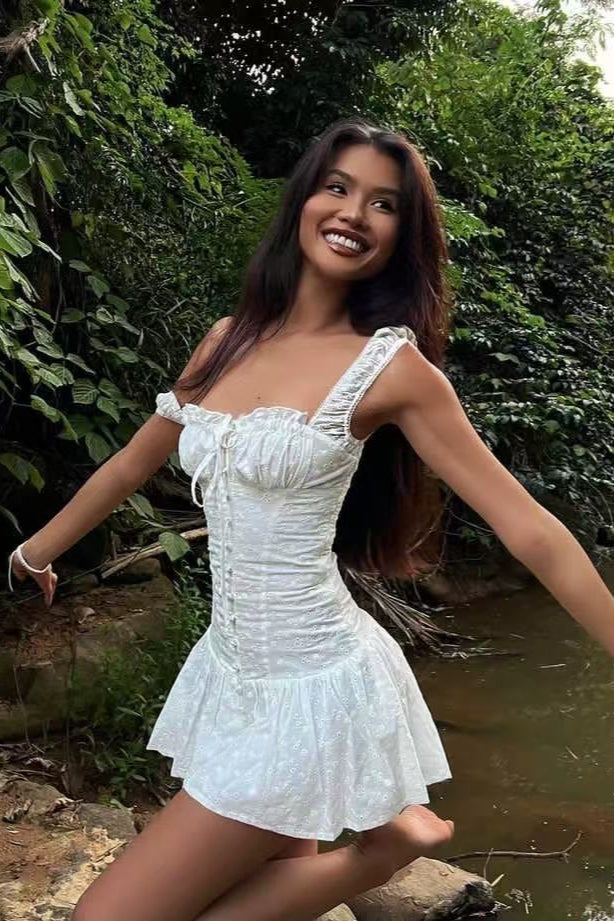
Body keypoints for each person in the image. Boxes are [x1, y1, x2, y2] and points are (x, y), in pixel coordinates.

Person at [7, 118, 614, 921]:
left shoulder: (390, 368)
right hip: (233, 670)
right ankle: (386, 842)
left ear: (401, 236)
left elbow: (527, 526)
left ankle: (381, 851)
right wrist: (33, 551)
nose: (354, 212)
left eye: (383, 203)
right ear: (303, 201)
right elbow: (132, 462)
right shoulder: (226, 342)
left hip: (313, 682)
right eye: (338, 187)